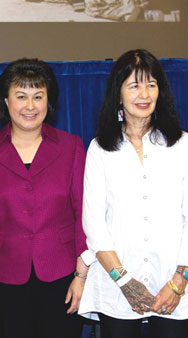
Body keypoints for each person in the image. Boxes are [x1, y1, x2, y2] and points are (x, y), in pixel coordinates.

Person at [0, 58, 89, 338]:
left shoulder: (72, 147)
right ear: (6, 102)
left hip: (62, 277)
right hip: (2, 280)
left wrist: (82, 278)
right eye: (21, 96)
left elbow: (84, 217)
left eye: (38, 97)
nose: (30, 106)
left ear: (49, 102)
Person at [79, 49, 188, 337]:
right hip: (116, 288)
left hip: (176, 286)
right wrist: (124, 280)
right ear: (118, 94)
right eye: (134, 85)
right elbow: (93, 223)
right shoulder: (100, 148)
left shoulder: (182, 144)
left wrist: (179, 281)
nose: (144, 94)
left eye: (151, 84)